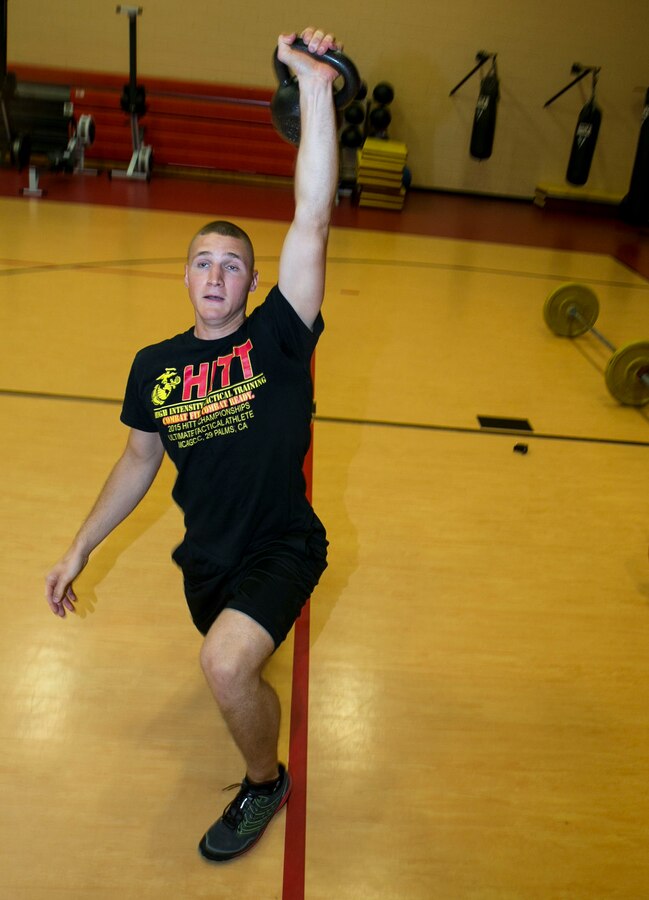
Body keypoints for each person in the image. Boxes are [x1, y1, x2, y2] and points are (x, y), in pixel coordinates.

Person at [45, 26, 340, 863]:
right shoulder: (157, 367)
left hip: (283, 543)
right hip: (206, 558)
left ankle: (264, 784)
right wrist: (80, 548)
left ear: (253, 284)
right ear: (185, 278)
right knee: (230, 660)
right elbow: (138, 461)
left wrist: (313, 90)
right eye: (202, 262)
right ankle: (246, 674)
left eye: (233, 265)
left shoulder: (281, 339)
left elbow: (311, 214)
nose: (215, 275)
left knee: (222, 666)